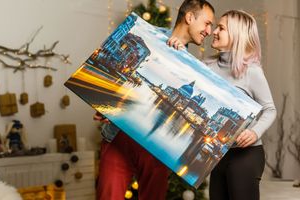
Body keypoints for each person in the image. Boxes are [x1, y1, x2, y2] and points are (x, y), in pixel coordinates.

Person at [94, 1, 215, 200]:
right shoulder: (145, 33)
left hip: (155, 150)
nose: (209, 31)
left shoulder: (193, 67)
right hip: (118, 138)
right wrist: (103, 101)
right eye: (207, 23)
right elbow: (117, 67)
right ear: (190, 17)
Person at [169, 9, 277, 200]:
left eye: (221, 28)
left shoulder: (251, 71)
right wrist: (179, 50)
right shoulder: (207, 65)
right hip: (219, 155)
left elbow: (269, 109)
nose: (214, 32)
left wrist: (255, 132)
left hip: (247, 154)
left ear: (236, 34)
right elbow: (184, 75)